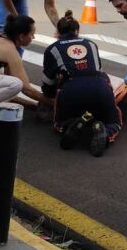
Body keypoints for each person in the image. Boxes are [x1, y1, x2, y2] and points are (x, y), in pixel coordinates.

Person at [41, 10, 121, 157]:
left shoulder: (52, 49)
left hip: (71, 90)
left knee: (59, 122)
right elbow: (97, 68)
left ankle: (70, 125)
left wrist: (49, 97)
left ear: (57, 31)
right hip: (99, 88)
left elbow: (47, 82)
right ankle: (105, 130)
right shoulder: (91, 44)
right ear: (77, 31)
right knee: (113, 121)